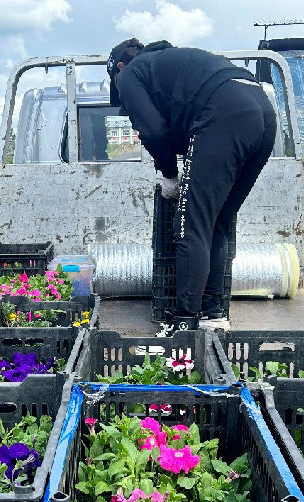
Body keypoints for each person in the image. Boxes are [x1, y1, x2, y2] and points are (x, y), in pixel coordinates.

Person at [106, 38, 278, 331]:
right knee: (219, 220)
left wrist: (169, 173)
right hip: (262, 111)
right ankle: (213, 314)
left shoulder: (129, 75)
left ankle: (185, 323)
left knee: (190, 224)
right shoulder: (169, 64)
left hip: (224, 112)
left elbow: (153, 129)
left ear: (119, 67)